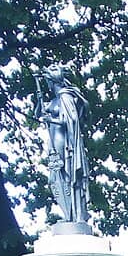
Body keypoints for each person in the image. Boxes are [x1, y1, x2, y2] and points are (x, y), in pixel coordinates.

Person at [36, 66, 92, 227]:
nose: (48, 86)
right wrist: (39, 101)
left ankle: (77, 215)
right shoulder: (54, 100)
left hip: (63, 141)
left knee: (67, 175)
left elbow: (71, 120)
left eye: (48, 82)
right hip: (54, 142)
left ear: (53, 82)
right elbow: (37, 114)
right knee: (58, 176)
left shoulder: (65, 98)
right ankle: (69, 214)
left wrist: (50, 120)